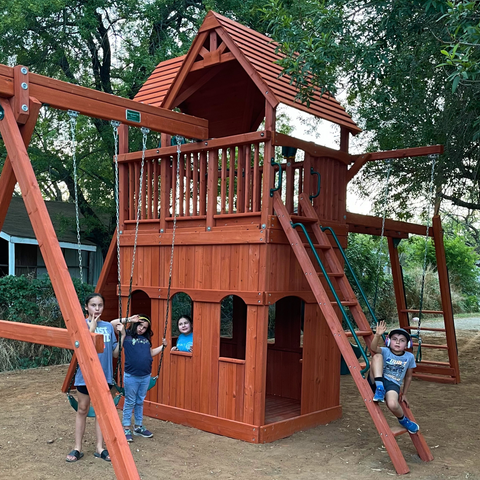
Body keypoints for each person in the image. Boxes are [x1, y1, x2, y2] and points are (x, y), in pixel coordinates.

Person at [66, 292, 122, 463]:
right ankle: (77, 448)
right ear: (86, 307)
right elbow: (85, 346)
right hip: (85, 376)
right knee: (82, 409)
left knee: (100, 413)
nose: (97, 309)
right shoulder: (81, 325)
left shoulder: (107, 327)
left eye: (100, 305)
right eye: (93, 305)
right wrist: (92, 325)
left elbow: (114, 353)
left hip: (103, 376)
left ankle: (100, 447)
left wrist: (122, 337)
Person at [111, 314, 167, 442]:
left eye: (145, 327)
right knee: (130, 401)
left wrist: (163, 347)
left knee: (140, 401)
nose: (142, 329)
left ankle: (138, 426)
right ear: (136, 324)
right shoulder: (126, 335)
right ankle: (126, 427)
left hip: (145, 375)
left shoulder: (146, 340)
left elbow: (151, 353)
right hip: (131, 375)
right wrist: (129, 319)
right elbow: (113, 323)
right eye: (140, 325)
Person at [369, 320, 420, 434]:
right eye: (394, 339)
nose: (397, 342)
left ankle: (403, 420)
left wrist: (405, 393)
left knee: (392, 404)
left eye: (402, 340)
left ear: (407, 344)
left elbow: (408, 377)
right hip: (378, 378)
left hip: (393, 384)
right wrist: (377, 335)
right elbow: (373, 348)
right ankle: (380, 388)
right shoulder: (385, 351)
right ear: (388, 341)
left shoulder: (409, 357)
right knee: (377, 356)